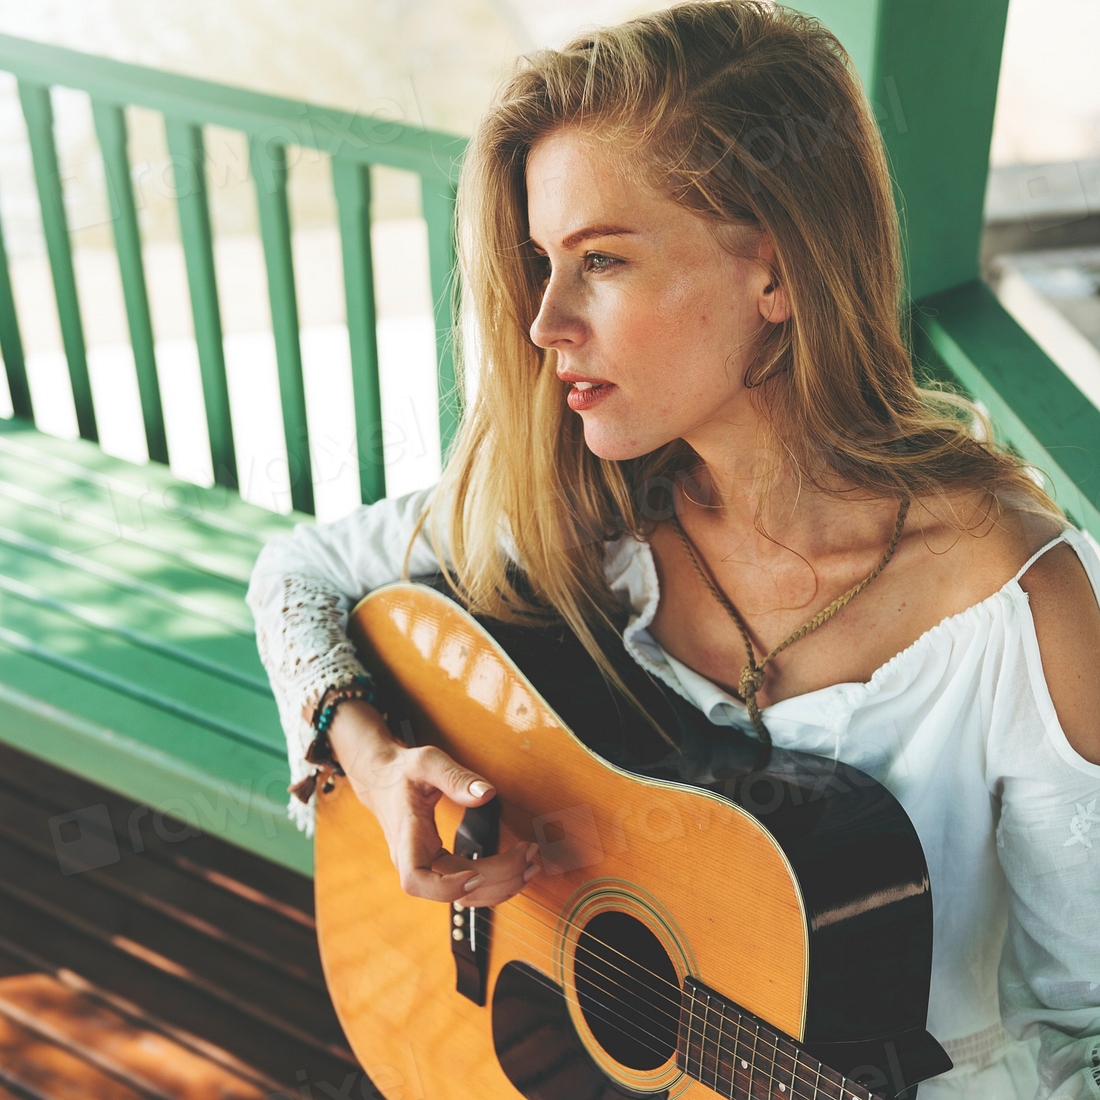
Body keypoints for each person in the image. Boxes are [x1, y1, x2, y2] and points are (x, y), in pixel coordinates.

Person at [246, 3, 1100, 1096]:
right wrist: (372, 759)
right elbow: (300, 572)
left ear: (775, 276)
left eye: (599, 259)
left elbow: (1085, 1023)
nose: (543, 321)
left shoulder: (1023, 612)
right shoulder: (586, 514)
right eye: (540, 261)